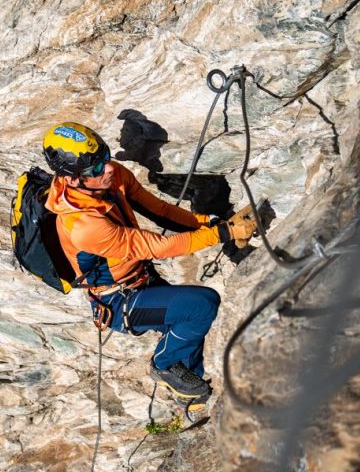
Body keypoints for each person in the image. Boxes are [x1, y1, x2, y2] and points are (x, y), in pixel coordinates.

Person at [42, 121, 257, 417]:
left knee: (189, 322)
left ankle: (194, 397)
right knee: (202, 306)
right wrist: (223, 234)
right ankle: (164, 365)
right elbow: (156, 247)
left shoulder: (113, 175)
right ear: (72, 180)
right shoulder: (82, 226)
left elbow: (161, 211)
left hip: (142, 280)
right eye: (94, 169)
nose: (106, 169)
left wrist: (209, 222)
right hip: (119, 301)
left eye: (105, 157)